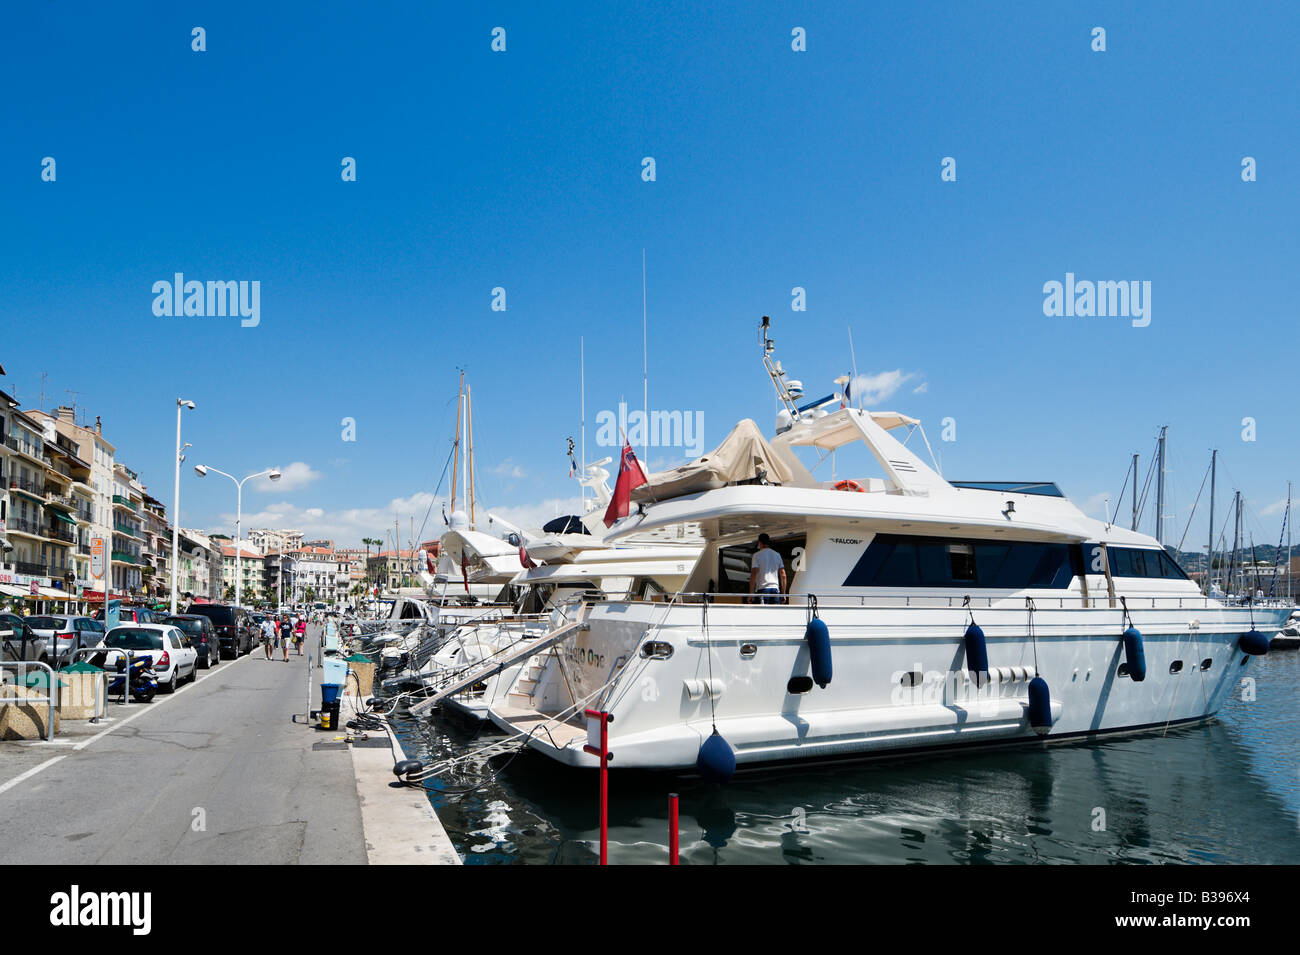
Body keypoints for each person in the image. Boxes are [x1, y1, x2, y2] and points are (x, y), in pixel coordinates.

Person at [749, 533, 786, 604]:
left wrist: (751, 594)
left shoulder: (756, 555)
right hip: (775, 590)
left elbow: (754, 574)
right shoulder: (777, 555)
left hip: (762, 590)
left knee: (761, 614)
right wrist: (783, 594)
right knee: (774, 614)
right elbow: (783, 575)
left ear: (759, 543)